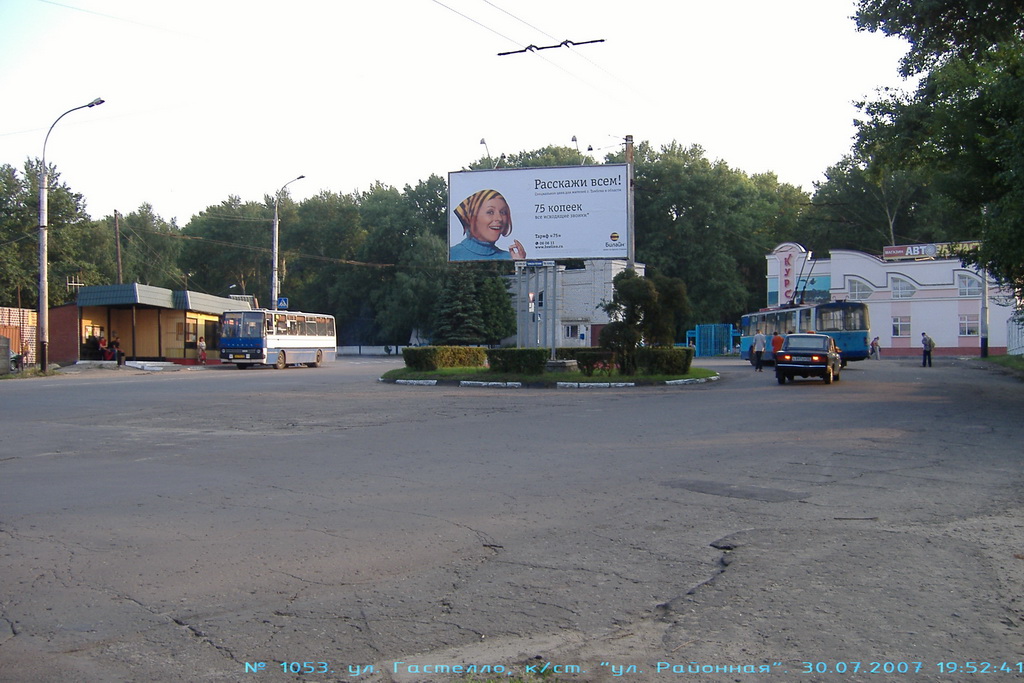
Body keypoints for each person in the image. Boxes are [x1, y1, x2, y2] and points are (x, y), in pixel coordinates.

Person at [450, 189, 526, 261]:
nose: (499, 218)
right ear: (473, 217)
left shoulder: (510, 257)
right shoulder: (452, 254)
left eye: (502, 212)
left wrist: (519, 264)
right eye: (490, 212)